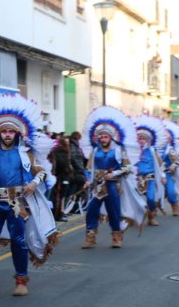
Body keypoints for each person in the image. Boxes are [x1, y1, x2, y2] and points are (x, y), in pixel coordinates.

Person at [0, 94, 59, 297]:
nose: (7, 134)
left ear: (17, 133)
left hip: (17, 203)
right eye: (4, 131)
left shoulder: (25, 153)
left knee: (19, 241)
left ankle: (21, 280)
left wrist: (34, 183)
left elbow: (42, 172)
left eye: (11, 131)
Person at [80, 106, 146, 249]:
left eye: (105, 136)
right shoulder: (95, 151)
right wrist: (88, 180)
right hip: (97, 186)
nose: (103, 139)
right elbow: (88, 168)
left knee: (114, 211)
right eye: (101, 137)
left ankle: (116, 237)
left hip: (112, 185)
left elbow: (128, 167)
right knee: (91, 210)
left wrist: (114, 174)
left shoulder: (118, 150)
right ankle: (90, 238)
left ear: (111, 137)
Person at [133, 116, 166, 226]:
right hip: (137, 179)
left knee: (151, 198)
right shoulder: (134, 151)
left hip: (150, 178)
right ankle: (138, 217)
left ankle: (152, 216)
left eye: (143, 138)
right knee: (137, 200)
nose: (141, 140)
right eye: (139, 138)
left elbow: (160, 165)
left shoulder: (152, 151)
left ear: (148, 140)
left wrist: (163, 176)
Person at [160, 119, 179, 215]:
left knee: (171, 192)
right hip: (153, 174)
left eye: (166, 136)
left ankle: (174, 205)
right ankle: (152, 212)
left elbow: (176, 161)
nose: (164, 138)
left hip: (167, 173)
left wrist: (173, 165)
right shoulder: (152, 148)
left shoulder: (170, 149)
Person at [67, 131, 88, 213]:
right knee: (75, 190)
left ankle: (74, 207)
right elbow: (75, 160)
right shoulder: (74, 146)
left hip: (77, 172)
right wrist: (81, 169)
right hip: (77, 172)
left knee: (76, 190)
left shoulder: (74, 146)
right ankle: (72, 207)